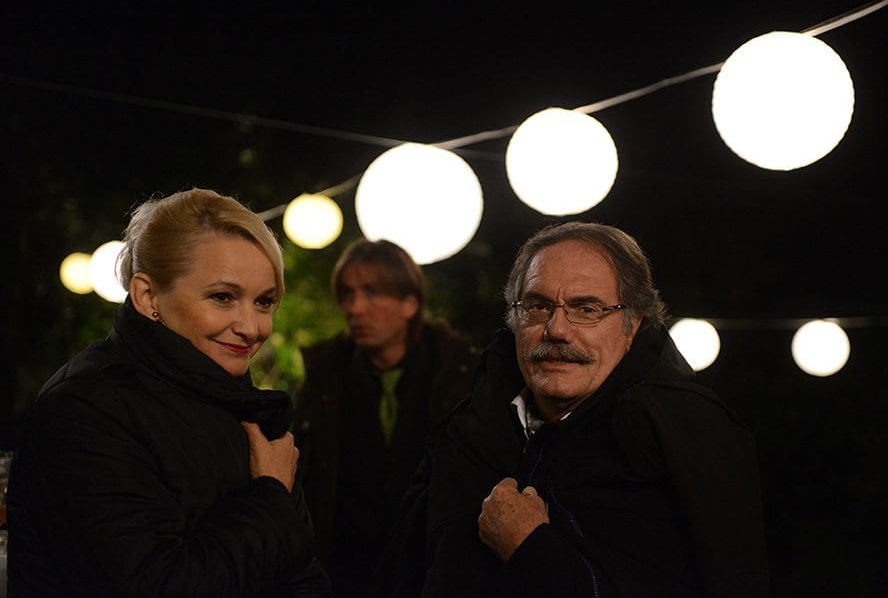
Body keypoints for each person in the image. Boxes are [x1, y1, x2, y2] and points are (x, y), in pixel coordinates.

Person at [376, 221, 770, 597]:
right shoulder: (464, 437)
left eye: (587, 309)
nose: (557, 329)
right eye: (537, 306)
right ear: (515, 319)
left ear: (633, 325)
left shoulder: (681, 435)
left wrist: (531, 548)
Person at [7, 188, 332, 597]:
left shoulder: (247, 408)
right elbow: (156, 585)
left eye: (264, 302)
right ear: (148, 297)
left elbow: (301, 574)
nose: (252, 328)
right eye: (222, 297)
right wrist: (269, 495)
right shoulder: (83, 410)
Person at [292, 238, 480, 597]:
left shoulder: (458, 375)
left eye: (372, 293)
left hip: (428, 573)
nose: (355, 308)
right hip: (344, 573)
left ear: (410, 303)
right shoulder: (325, 377)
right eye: (347, 294)